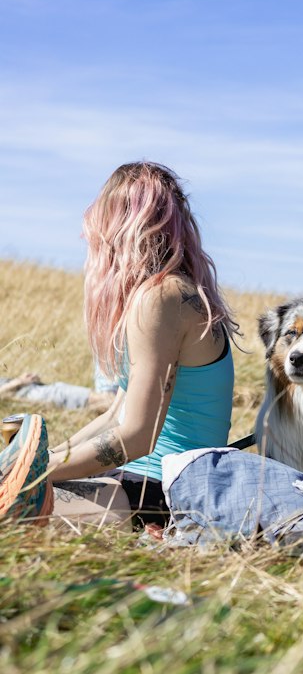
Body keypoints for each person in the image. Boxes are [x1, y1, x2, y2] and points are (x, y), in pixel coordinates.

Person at [42, 161, 238, 529]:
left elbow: (137, 436)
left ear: (122, 226)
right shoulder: (170, 293)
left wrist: (37, 474)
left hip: (159, 495)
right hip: (139, 484)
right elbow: (116, 414)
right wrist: (43, 461)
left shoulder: (162, 297)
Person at [0, 363, 118, 413]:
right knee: (87, 398)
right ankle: (125, 407)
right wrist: (19, 381)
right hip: (26, 394)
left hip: (29, 389)